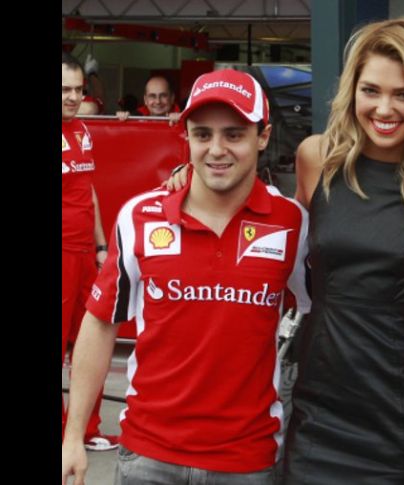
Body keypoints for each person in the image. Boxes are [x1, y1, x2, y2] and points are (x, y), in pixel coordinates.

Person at [62, 68, 310, 485]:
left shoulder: (293, 224)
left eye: (234, 134)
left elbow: (321, 318)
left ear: (262, 138)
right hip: (148, 457)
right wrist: (72, 437)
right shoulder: (140, 216)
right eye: (202, 135)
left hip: (246, 462)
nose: (217, 150)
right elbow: (101, 322)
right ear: (186, 137)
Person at [282, 17, 404, 484]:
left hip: (399, 410)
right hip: (319, 402)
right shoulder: (317, 159)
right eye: (371, 90)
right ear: (352, 90)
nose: (384, 108)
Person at [61, 51, 117, 452]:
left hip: (85, 254)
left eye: (78, 90)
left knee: (90, 341)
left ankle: (87, 429)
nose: (72, 97)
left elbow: (90, 192)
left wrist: (100, 246)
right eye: (64, 89)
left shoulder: (82, 130)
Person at [116, 75, 182, 124]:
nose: (158, 101)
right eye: (152, 96)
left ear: (172, 98)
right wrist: (119, 122)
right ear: (145, 100)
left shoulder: (186, 119)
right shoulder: (134, 118)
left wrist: (182, 122)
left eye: (163, 96)